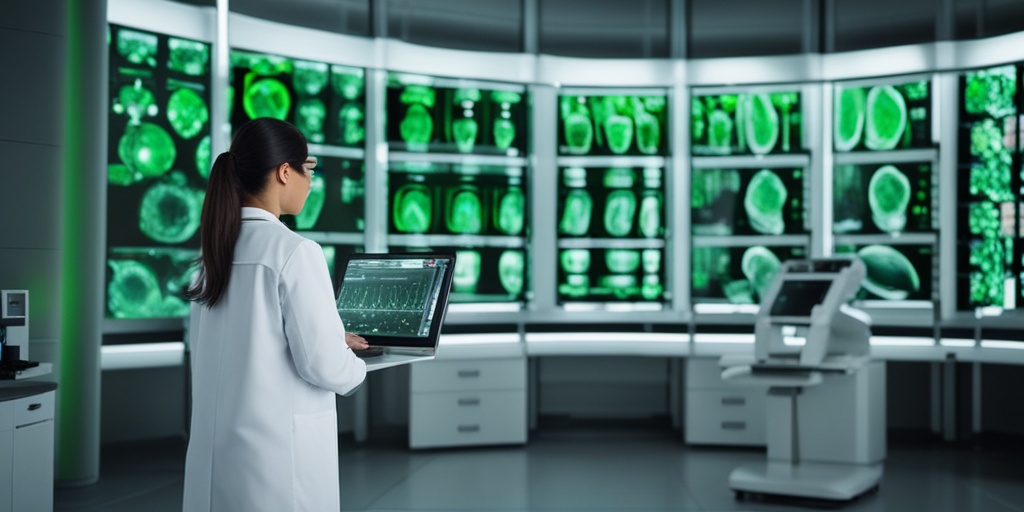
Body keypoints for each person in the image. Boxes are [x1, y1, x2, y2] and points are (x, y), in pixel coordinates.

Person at [183, 117, 368, 511]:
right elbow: (325, 366)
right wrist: (355, 362)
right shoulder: (294, 251)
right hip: (276, 471)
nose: (312, 182)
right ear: (285, 172)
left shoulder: (210, 257)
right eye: (309, 169)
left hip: (218, 464)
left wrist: (334, 339)